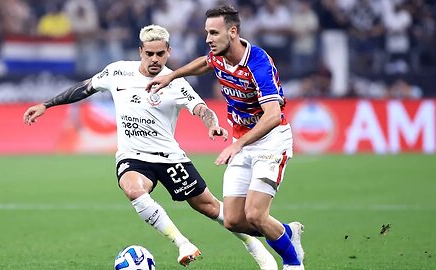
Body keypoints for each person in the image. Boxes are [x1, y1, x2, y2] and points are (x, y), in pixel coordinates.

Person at [23, 24, 278, 269]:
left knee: (209, 206)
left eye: (160, 53)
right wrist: (46, 104)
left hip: (170, 157)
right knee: (133, 189)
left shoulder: (175, 82)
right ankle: (183, 244)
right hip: (133, 156)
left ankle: (253, 244)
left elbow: (201, 108)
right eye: (149, 53)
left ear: (168, 51)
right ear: (140, 52)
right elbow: (85, 88)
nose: (155, 59)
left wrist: (211, 124)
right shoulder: (118, 72)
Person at [147, 6, 305, 270]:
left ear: (232, 32)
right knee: (233, 220)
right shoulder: (220, 56)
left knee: (255, 214)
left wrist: (238, 144)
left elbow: (273, 116)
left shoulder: (258, 64)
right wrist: (172, 75)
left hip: (270, 141)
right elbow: (205, 62)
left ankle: (293, 263)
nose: (208, 38)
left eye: (213, 33)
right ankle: (286, 232)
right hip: (242, 141)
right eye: (207, 32)